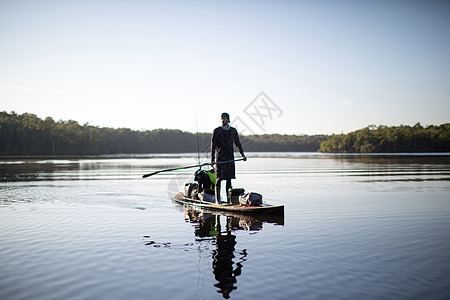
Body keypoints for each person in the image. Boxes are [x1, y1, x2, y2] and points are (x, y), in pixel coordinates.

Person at [211, 112, 246, 204]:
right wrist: (212, 159)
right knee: (219, 179)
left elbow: (238, 143)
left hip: (230, 158)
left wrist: (242, 155)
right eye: (222, 118)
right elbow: (213, 146)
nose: (223, 120)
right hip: (220, 159)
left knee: (229, 180)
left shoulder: (233, 131)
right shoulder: (217, 131)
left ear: (228, 119)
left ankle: (229, 200)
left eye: (225, 118)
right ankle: (217, 200)